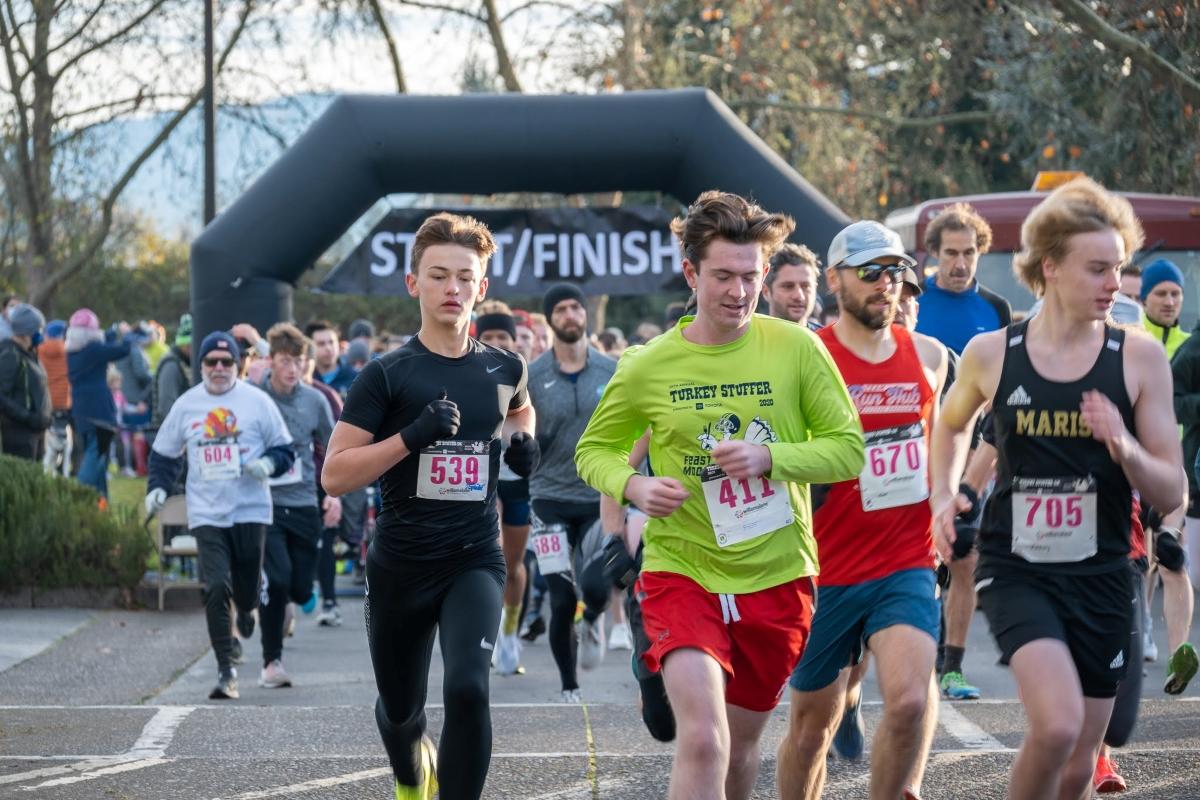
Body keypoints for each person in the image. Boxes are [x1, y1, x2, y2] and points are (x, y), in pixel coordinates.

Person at [575, 191, 864, 800]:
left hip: (777, 574)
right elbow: (593, 451)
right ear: (691, 273)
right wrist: (633, 484)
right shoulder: (648, 364)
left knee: (738, 750)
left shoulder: (797, 348)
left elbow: (847, 450)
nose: (739, 292)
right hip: (683, 569)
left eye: (751, 276)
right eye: (723, 277)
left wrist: (771, 457)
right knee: (704, 740)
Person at [929, 177, 1185, 800]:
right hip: (1017, 567)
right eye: (1098, 268)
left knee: (1078, 764)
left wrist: (1123, 445)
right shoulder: (993, 353)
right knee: (1058, 725)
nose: (1114, 283)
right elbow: (951, 424)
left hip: (1104, 572)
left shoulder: (1138, 359)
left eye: (1118, 267)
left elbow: (1172, 487)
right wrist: (944, 493)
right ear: (1049, 266)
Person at [321, 212, 539, 800]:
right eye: (438, 275)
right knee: (401, 712)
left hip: (474, 557)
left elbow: (519, 410)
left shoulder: (505, 366)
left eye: (465, 277)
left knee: (468, 688)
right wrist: (410, 437)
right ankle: (410, 772)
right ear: (413, 283)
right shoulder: (386, 375)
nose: (452, 288)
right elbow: (335, 475)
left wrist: (523, 442)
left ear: (481, 287)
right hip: (402, 565)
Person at [778, 221, 946, 800]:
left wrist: (951, 501)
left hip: (906, 559)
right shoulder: (807, 358)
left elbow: (942, 444)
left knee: (909, 699)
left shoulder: (929, 356)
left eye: (895, 271)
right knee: (810, 734)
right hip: (823, 568)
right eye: (870, 271)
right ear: (835, 280)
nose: (885, 283)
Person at [146, 331, 296, 700]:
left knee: (246, 591)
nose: (218, 368)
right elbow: (163, 453)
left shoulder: (257, 402)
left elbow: (285, 450)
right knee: (215, 587)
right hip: (206, 511)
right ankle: (226, 669)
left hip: (250, 509)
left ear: (237, 364)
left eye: (226, 361)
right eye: (211, 361)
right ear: (200, 366)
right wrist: (157, 487)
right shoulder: (187, 404)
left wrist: (267, 464)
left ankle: (246, 609)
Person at [527, 282, 618, 701]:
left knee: (596, 588)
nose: (570, 315)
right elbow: (516, 430)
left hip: (598, 497)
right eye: (561, 309)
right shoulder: (533, 375)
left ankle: (594, 616)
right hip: (547, 499)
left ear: (586, 315)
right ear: (550, 319)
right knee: (561, 596)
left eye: (575, 308)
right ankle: (569, 686)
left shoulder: (611, 371)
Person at [254, 323, 339, 687]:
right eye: (285, 361)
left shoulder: (314, 400)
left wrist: (334, 494)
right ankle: (271, 662)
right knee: (276, 581)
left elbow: (336, 448)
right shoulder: (256, 397)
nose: (293, 369)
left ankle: (292, 596)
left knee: (301, 588)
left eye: (299, 361)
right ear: (271, 361)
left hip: (304, 502)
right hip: (266, 503)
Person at [474, 305, 535, 677]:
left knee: (513, 567)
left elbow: (532, 425)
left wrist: (527, 443)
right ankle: (487, 635)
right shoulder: (465, 373)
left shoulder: (522, 375)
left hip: (517, 482)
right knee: (490, 558)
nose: (496, 343)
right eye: (489, 337)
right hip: (480, 482)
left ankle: (510, 632)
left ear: (514, 341)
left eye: (503, 337)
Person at [914, 202, 1012, 354]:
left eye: (968, 253)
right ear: (934, 251)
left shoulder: (998, 308)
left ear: (979, 251)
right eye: (951, 253)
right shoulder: (911, 301)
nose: (960, 265)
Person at [67, 308, 131, 499]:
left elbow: (103, 344)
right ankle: (77, 496)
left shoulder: (72, 352)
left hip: (81, 412)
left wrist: (111, 332)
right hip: (99, 413)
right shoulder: (94, 350)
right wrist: (126, 334)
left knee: (98, 460)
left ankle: (101, 504)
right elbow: (122, 350)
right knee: (95, 458)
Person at [0, 303, 51, 460]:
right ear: (25, 332)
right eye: (37, 330)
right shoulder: (10, 354)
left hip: (35, 433)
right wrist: (28, 417)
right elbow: (2, 396)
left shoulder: (29, 353)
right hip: (19, 435)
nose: (40, 334)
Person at [39, 319, 73, 475]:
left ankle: (46, 469)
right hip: (62, 401)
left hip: (45, 400)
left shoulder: (39, 350)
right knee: (61, 441)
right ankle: (60, 471)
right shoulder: (68, 352)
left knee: (47, 441)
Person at [763, 243, 822, 330]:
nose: (799, 296)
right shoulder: (747, 336)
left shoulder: (825, 338)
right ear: (766, 292)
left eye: (806, 286)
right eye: (788, 286)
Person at [304, 320, 358, 397]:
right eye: (321, 344)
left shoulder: (355, 378)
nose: (328, 348)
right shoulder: (305, 379)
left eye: (331, 342)